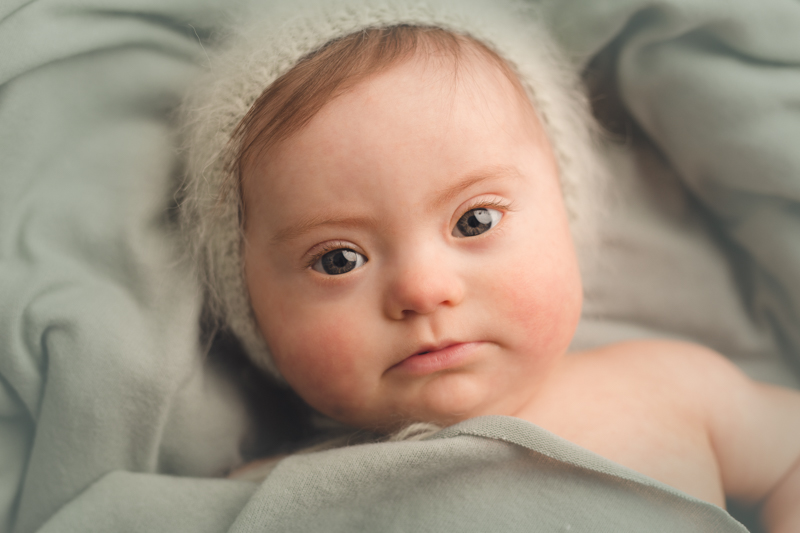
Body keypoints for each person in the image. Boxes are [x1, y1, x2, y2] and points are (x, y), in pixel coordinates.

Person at [179, 3, 800, 531]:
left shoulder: (669, 389)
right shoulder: (261, 499)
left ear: (563, 216)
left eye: (474, 221)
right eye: (339, 259)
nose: (422, 290)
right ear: (251, 307)